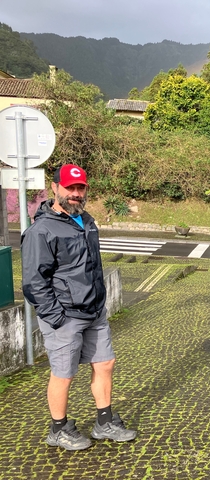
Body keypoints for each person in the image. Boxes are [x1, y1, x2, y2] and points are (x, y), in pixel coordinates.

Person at [21, 164, 136, 451]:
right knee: (64, 372)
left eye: (80, 188)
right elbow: (34, 282)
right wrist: (55, 318)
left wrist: (100, 303)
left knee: (105, 363)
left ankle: (104, 422)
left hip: (94, 311)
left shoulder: (86, 220)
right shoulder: (42, 230)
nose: (75, 193)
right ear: (55, 187)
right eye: (69, 188)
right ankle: (58, 429)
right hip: (64, 315)